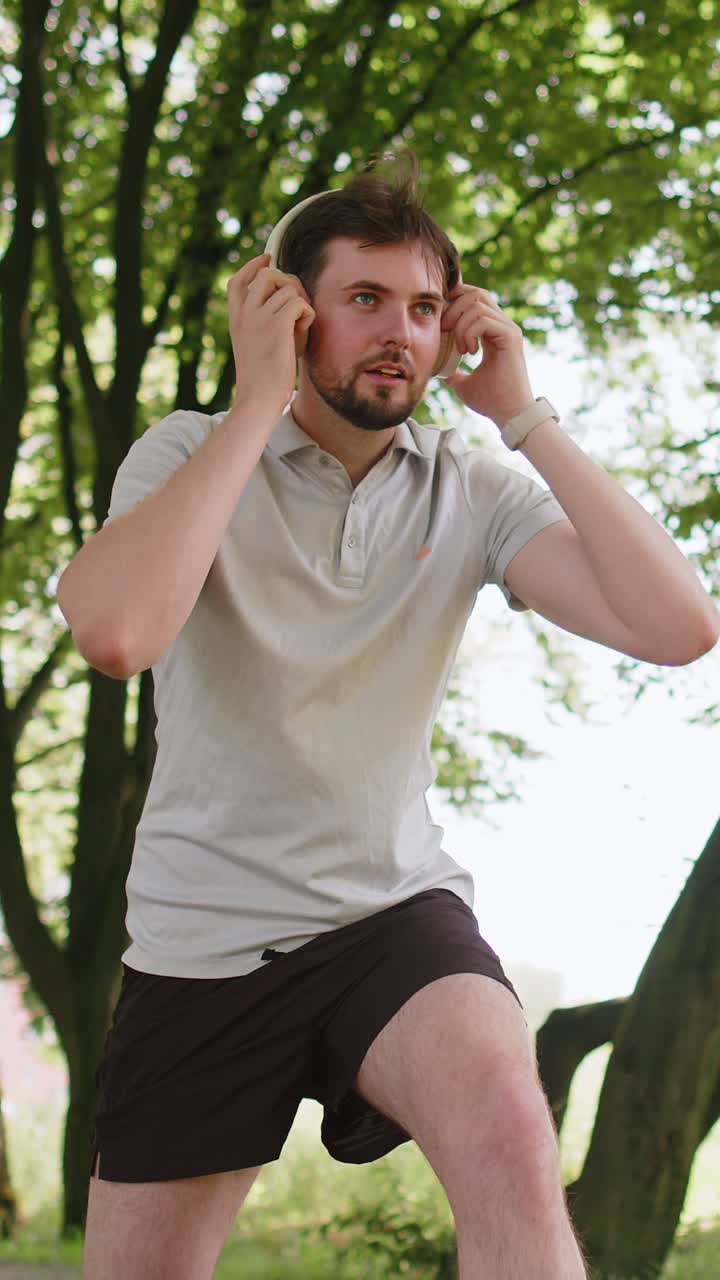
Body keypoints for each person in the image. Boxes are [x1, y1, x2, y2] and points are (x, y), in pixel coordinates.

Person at [57, 151, 719, 1280]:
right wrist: (256, 397)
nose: (401, 332)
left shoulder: (471, 485)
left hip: (391, 918)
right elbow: (117, 634)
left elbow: (678, 626)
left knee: (514, 1129)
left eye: (422, 307)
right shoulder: (185, 454)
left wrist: (526, 415)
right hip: (201, 942)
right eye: (364, 299)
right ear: (290, 309)